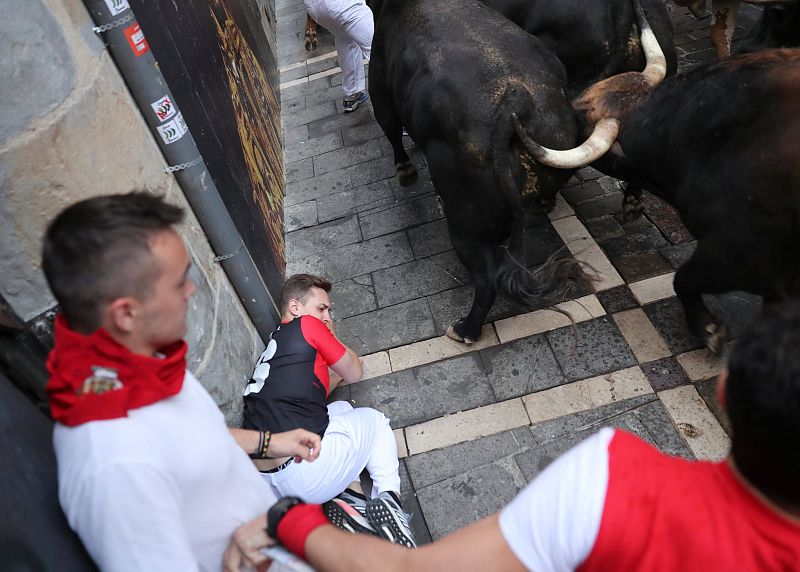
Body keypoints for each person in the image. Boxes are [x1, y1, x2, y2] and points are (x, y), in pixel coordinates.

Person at [226, 302, 800, 571]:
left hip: (282, 471)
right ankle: (385, 493)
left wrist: (288, 521)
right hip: (299, 451)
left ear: (723, 391)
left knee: (366, 419)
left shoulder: (615, 480)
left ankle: (387, 500)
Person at [42, 192, 323, 570]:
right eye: (179, 282)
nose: (191, 291)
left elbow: (190, 440)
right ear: (126, 313)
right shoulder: (113, 465)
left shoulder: (141, 364)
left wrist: (271, 442)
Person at [241, 273, 415, 547]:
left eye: (329, 312)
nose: (327, 316)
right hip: (304, 471)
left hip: (268, 482)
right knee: (376, 422)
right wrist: (331, 337)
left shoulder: (278, 345)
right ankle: (390, 501)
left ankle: (353, 502)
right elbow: (354, 371)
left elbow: (317, 393)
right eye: (321, 308)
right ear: (295, 307)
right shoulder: (308, 326)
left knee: (342, 408)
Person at [305, 0, 373, 112]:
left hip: (315, 7)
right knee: (377, 47)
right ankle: (400, 107)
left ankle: (353, 93)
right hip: (340, 5)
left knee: (346, 38)